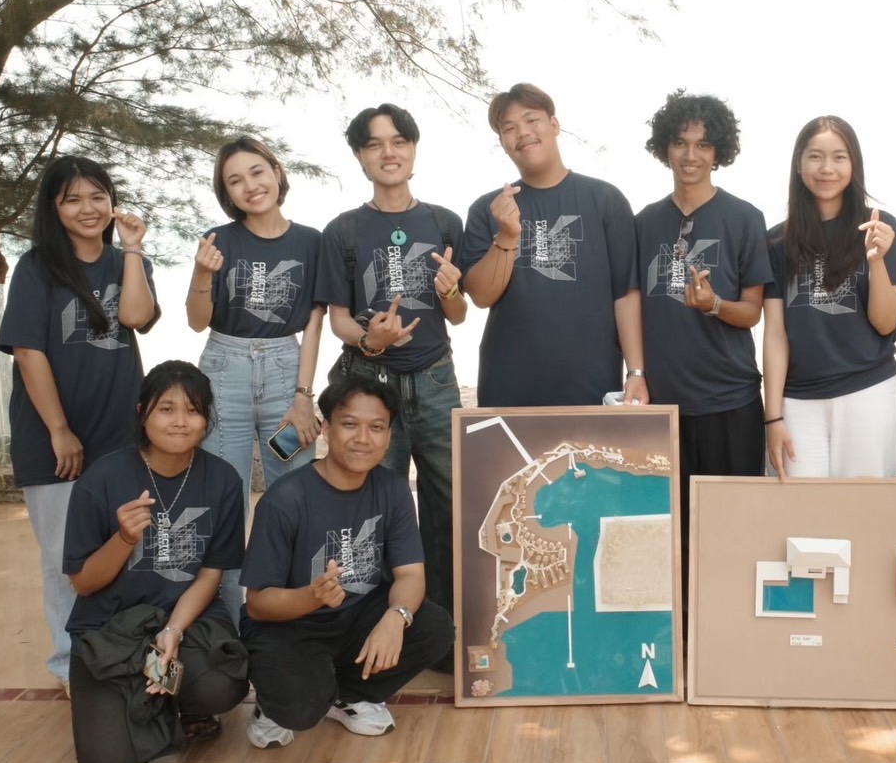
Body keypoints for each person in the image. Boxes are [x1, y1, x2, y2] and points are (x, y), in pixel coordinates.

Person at [0, 155, 159, 692]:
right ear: (54, 207)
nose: (87, 208)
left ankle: (122, 653)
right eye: (72, 199)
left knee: (127, 549)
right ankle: (72, 665)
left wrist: (132, 249)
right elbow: (28, 351)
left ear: (111, 202)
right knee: (65, 559)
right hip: (54, 437)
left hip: (121, 433)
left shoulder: (127, 261)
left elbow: (135, 317)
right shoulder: (37, 266)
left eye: (97, 196)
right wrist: (59, 431)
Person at [240, 374, 454, 749]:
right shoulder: (285, 499)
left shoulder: (392, 488)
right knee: (300, 709)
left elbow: (410, 574)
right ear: (326, 429)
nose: (363, 438)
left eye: (376, 427)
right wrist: (311, 597)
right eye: (350, 424)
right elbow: (258, 604)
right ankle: (275, 704)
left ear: (389, 436)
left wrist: (396, 617)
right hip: (291, 625)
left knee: (434, 626)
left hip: (358, 617)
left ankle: (348, 695)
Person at [315, 105, 465, 634]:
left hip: (436, 379)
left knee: (453, 504)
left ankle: (444, 630)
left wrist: (450, 291)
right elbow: (338, 319)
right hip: (371, 384)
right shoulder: (343, 231)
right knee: (374, 507)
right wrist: (370, 339)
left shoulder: (444, 222)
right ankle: (376, 630)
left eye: (399, 141)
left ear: (414, 148)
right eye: (375, 144)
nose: (389, 152)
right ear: (360, 157)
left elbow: (459, 314)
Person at [62, 361, 249, 763]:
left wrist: (174, 631)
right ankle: (149, 700)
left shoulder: (222, 480)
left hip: (186, 622)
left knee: (222, 683)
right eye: (166, 409)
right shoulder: (101, 479)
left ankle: (180, 701)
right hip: (110, 628)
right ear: (142, 412)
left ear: (207, 418)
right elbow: (84, 582)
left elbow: (210, 574)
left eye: (193, 410)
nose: (181, 421)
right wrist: (124, 539)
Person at [187, 136, 325, 615]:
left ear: (276, 172)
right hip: (224, 370)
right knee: (226, 495)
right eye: (235, 180)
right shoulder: (218, 240)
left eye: (257, 172)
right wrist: (201, 274)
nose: (250, 185)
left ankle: (287, 613)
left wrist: (304, 396)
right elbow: (197, 321)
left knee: (295, 491)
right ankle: (226, 622)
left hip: (287, 372)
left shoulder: (311, 241)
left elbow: (314, 323)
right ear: (226, 192)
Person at [633, 91, 772, 555]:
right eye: (680, 142)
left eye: (703, 145)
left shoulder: (745, 219)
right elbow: (629, 304)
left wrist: (714, 304)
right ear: (665, 148)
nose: (690, 155)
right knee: (668, 540)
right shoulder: (644, 222)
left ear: (719, 152)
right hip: (662, 408)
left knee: (735, 537)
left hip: (730, 403)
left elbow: (753, 312)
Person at [458, 82, 646, 407]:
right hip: (507, 386)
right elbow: (481, 296)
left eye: (532, 120)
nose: (523, 133)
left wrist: (636, 372)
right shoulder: (488, 208)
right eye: (509, 128)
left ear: (554, 125)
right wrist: (507, 235)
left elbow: (626, 294)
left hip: (592, 385)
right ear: (503, 143)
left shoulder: (605, 199)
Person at [762, 116, 896, 479]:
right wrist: (773, 416)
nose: (827, 168)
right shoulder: (777, 241)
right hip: (798, 400)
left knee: (865, 505)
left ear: (854, 164)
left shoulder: (880, 226)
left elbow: (885, 322)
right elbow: (775, 333)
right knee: (799, 508)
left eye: (839, 157)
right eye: (815, 156)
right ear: (799, 164)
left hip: (867, 390)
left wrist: (876, 260)